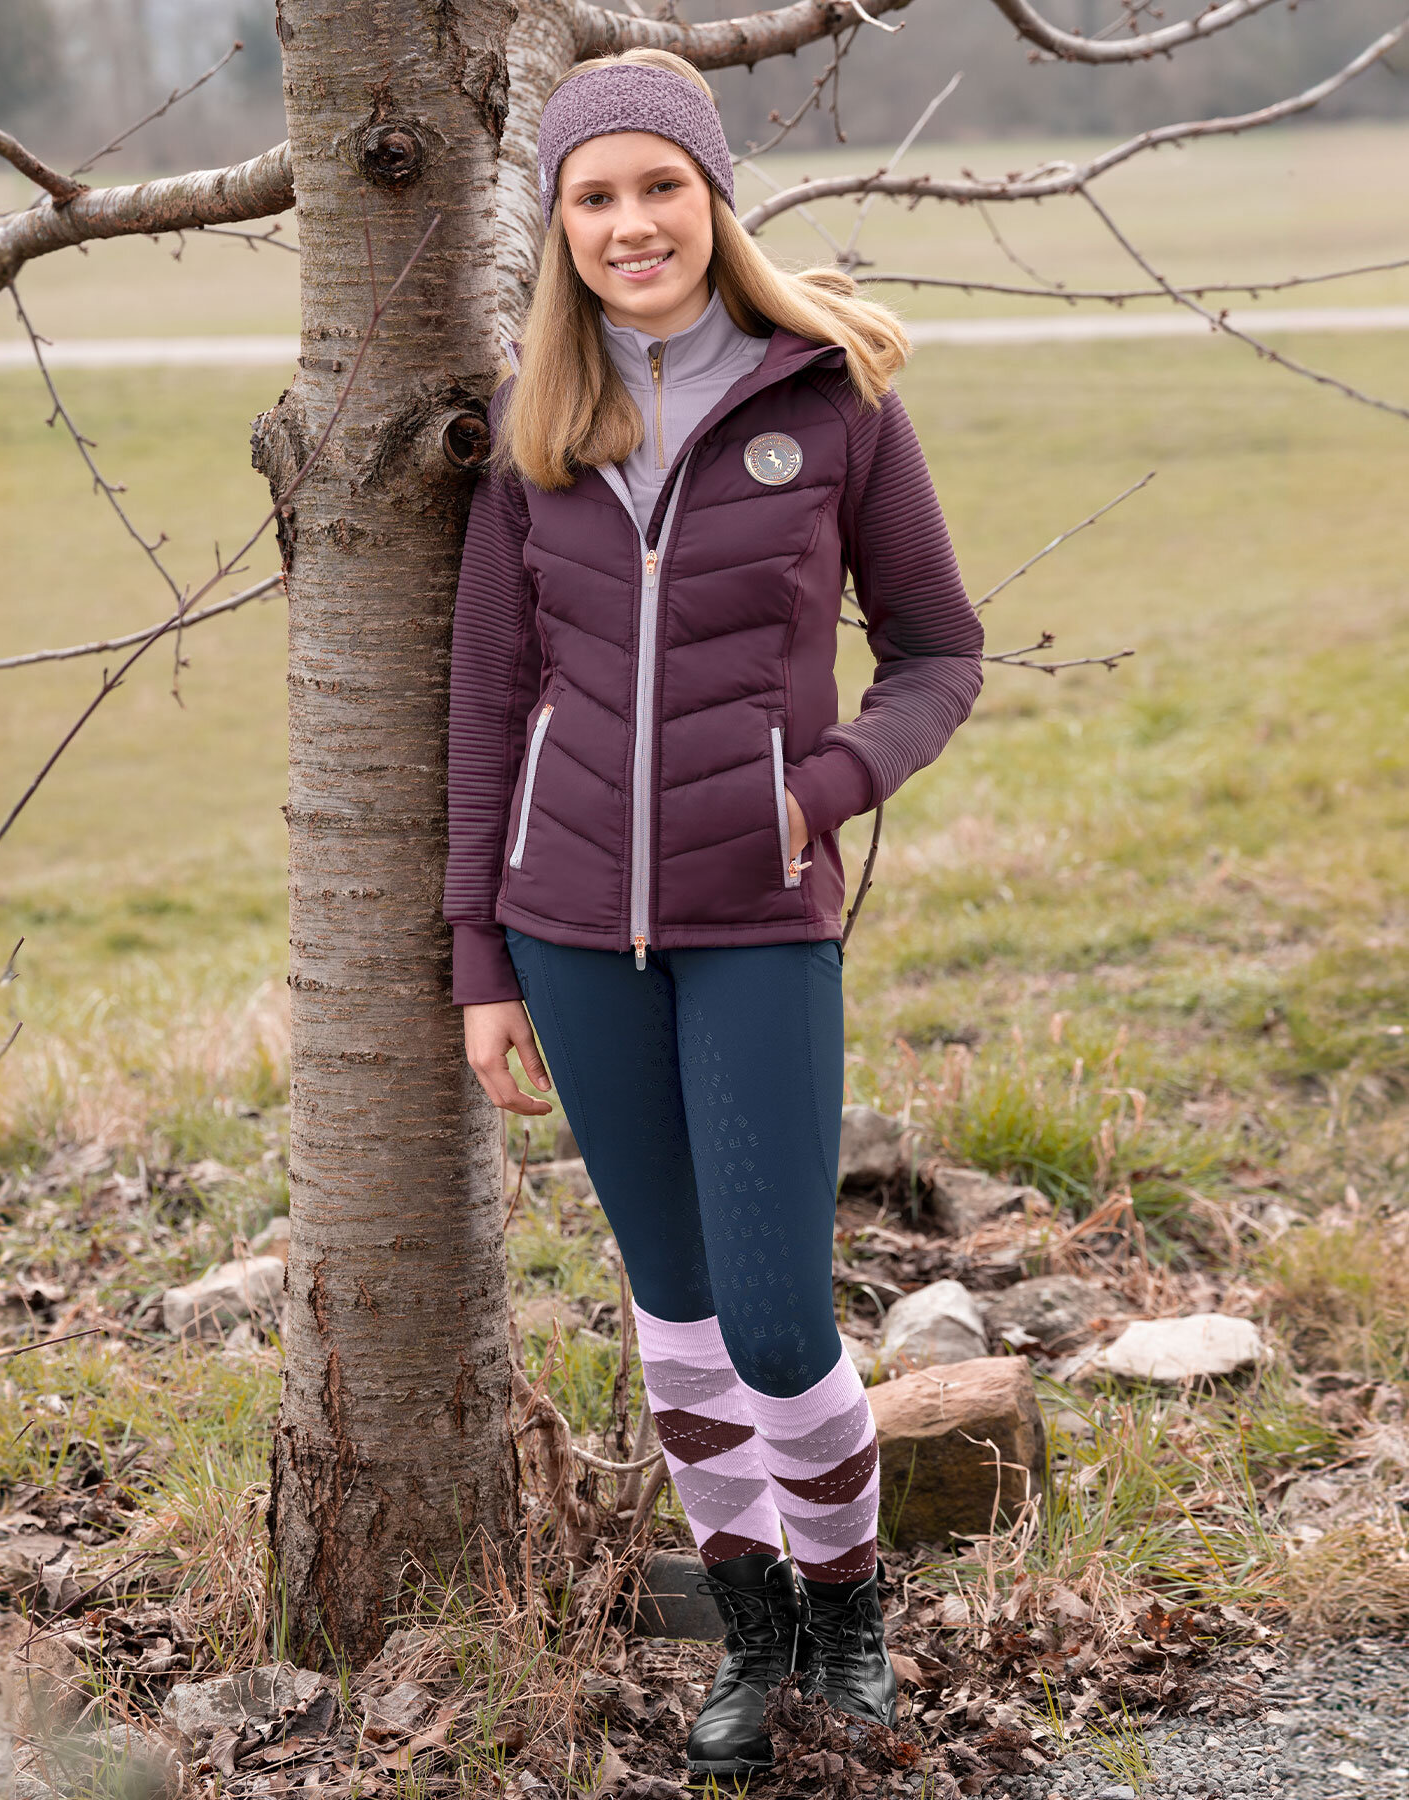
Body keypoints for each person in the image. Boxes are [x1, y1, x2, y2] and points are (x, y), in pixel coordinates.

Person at [444, 45, 984, 1778]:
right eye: (591, 198)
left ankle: (848, 1606)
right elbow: (480, 705)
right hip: (567, 928)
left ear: (711, 197)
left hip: (759, 921)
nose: (628, 224)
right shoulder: (536, 437)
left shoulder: (829, 400)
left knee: (770, 1318)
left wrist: (817, 791)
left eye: (655, 188)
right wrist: (479, 957)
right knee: (672, 1316)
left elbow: (938, 651)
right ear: (559, 227)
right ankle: (749, 1639)